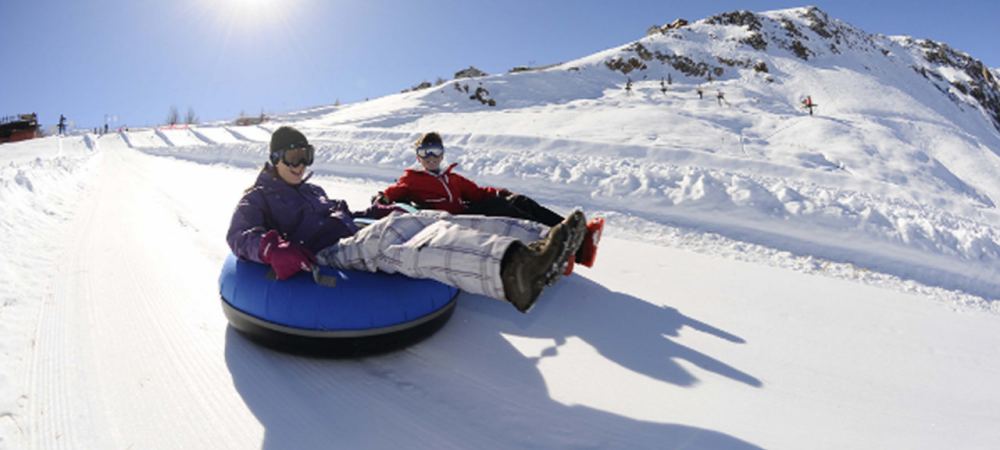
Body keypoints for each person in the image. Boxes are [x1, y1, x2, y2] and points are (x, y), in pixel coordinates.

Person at [227, 126, 587, 313]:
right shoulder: (258, 196)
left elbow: (346, 213)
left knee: (433, 218)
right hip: (323, 254)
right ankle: (514, 271)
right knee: (395, 240)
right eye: (293, 157)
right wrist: (274, 247)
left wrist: (379, 211)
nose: (301, 165)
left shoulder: (311, 188)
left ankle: (545, 241)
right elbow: (239, 234)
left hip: (349, 234)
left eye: (306, 156)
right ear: (275, 157)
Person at [373, 132, 602, 269]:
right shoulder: (412, 179)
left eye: (435, 151)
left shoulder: (452, 177)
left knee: (518, 201)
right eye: (425, 152)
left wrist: (501, 192)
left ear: (442, 154)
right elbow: (394, 191)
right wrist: (382, 197)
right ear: (418, 157)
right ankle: (552, 241)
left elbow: (478, 192)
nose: (430, 157)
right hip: (447, 222)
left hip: (465, 212)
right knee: (498, 207)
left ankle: (577, 237)